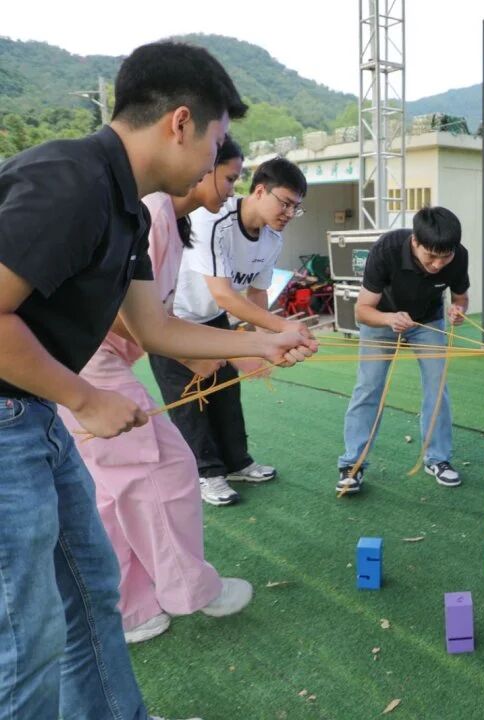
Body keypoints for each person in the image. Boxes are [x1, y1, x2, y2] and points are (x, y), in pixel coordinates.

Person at [0, 41, 314, 720]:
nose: (216, 164)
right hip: (14, 419)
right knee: (27, 635)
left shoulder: (131, 210)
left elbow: (157, 329)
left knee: (89, 594)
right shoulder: (72, 182)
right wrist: (85, 397)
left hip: (36, 412)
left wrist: (265, 340)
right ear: (180, 123)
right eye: (218, 143)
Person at [58, 136, 254, 647]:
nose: (230, 190)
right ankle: (189, 589)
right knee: (163, 467)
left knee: (113, 490)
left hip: (85, 360)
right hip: (89, 363)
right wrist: (218, 351)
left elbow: (148, 319)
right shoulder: (153, 210)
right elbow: (127, 316)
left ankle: (131, 608)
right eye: (229, 176)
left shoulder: (169, 220)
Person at [150, 157, 311, 506]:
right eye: (285, 203)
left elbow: (256, 294)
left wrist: (268, 343)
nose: (289, 213)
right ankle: (206, 473)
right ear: (260, 191)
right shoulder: (213, 219)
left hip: (214, 319)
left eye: (296, 208)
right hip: (174, 320)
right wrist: (281, 330)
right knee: (189, 401)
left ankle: (237, 462)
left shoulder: (272, 239)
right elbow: (224, 293)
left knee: (226, 394)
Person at [337, 206, 469, 494]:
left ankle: (438, 459)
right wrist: (389, 319)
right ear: (414, 241)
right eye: (430, 256)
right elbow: (362, 310)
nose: (437, 264)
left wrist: (458, 310)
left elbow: (461, 298)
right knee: (369, 386)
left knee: (437, 386)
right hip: (382, 318)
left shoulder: (458, 256)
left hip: (428, 321)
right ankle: (352, 464)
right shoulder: (387, 249)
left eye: (445, 257)